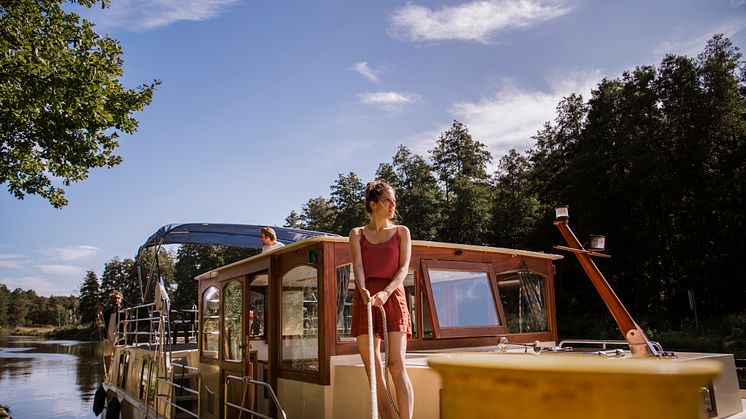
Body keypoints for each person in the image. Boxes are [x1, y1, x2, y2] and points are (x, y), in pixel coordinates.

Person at [349, 179, 414, 419]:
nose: (393, 204)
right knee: (374, 372)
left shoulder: (401, 232)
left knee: (396, 366)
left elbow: (403, 269)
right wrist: (363, 288)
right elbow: (357, 266)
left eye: (394, 200)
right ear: (373, 203)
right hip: (365, 298)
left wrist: (386, 292)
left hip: (393, 295)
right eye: (388, 200)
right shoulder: (357, 234)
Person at [101, 290, 123, 377]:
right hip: (108, 336)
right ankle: (108, 374)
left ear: (121, 299)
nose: (116, 300)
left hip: (118, 336)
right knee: (107, 355)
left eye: (118, 298)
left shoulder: (123, 311)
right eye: (114, 298)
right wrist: (100, 313)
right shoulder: (108, 312)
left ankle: (117, 374)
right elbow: (103, 320)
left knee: (117, 355)